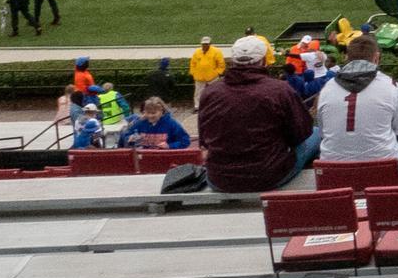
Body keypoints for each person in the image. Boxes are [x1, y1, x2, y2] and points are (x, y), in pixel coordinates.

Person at [198, 35, 314, 192]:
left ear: (233, 61)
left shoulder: (210, 93)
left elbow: (204, 140)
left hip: (220, 178)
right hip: (268, 176)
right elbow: (301, 133)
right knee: (316, 133)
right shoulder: (279, 90)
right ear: (264, 61)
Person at [121, 97, 191, 150]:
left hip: (164, 156)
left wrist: (170, 146)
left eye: (153, 113)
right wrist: (129, 138)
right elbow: (127, 134)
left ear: (162, 111)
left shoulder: (171, 123)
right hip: (144, 156)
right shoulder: (140, 122)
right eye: (147, 113)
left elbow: (185, 140)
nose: (150, 116)